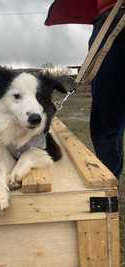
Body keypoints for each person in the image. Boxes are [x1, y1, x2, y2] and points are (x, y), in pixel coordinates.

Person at [45, 0, 125, 178]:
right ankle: (108, 189)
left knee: (107, 123)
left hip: (108, 21)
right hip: (109, 19)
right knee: (106, 122)